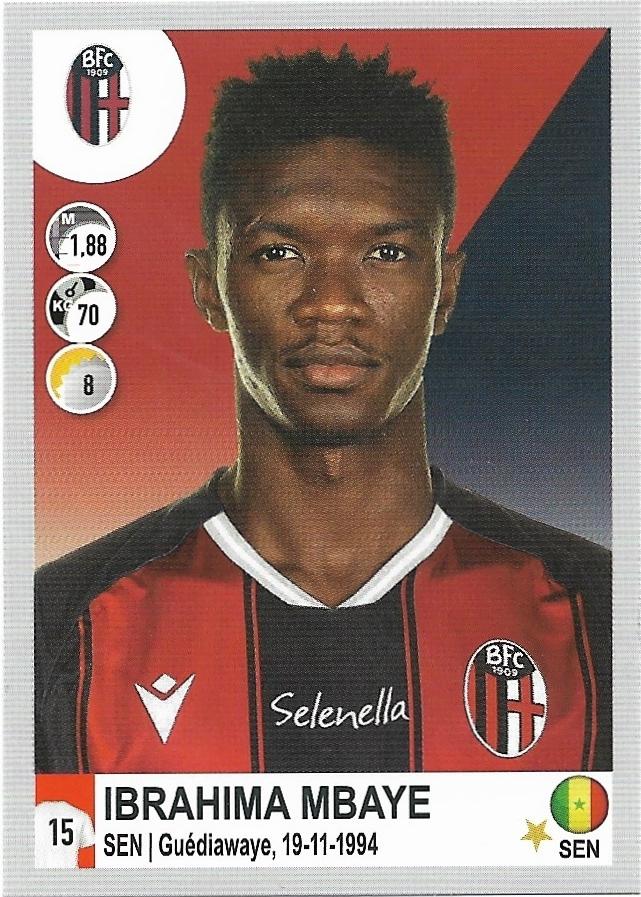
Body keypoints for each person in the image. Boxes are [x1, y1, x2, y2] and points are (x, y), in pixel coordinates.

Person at [35, 48, 611, 775]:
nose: (332, 303)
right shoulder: (60, 625)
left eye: (387, 253)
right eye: (279, 252)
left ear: (445, 288)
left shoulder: (599, 616)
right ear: (209, 287)